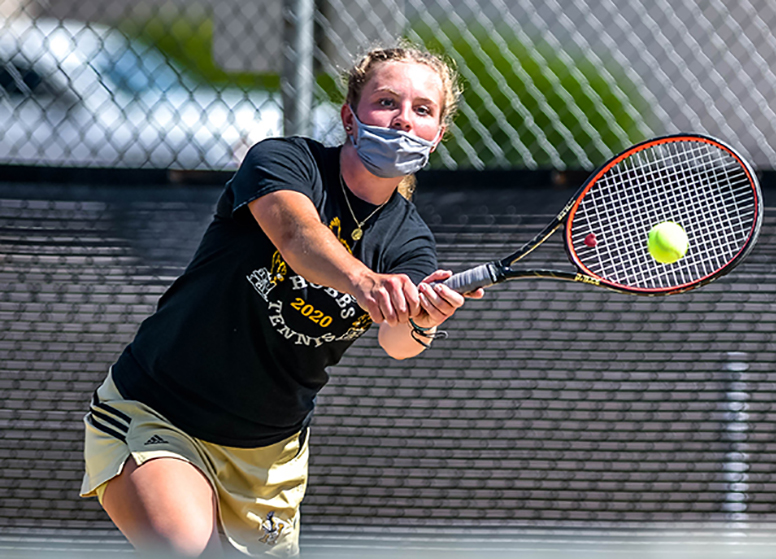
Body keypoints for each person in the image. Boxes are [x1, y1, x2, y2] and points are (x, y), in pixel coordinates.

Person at [80, 42, 482, 557]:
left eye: (422, 110)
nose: (403, 120)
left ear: (438, 135)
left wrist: (423, 317)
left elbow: (398, 342)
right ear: (350, 116)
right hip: (159, 412)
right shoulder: (285, 161)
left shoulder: (410, 244)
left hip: (270, 459)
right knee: (186, 548)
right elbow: (298, 238)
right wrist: (365, 282)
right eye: (386, 102)